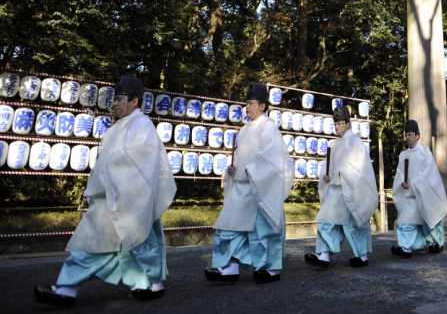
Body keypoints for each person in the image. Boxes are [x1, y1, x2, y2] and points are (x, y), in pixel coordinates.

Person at [34, 76, 177, 306]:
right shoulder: (121, 125)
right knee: (94, 242)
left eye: (120, 99)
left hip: (131, 197)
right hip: (112, 195)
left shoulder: (142, 125)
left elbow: (142, 161)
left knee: (134, 244)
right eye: (115, 99)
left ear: (134, 101)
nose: (115, 104)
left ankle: (150, 283)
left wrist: (114, 167)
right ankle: (66, 288)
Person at [204, 83, 293, 283]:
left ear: (262, 106)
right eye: (246, 104)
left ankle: (270, 268)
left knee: (263, 230)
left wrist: (252, 171)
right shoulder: (244, 130)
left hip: (261, 188)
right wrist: (232, 170)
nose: (247, 107)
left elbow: (271, 159)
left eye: (251, 104)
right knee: (229, 226)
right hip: (242, 186)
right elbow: (239, 157)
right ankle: (229, 267)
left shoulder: (269, 127)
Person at [305, 106, 378, 268]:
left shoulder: (356, 142)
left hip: (351, 189)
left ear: (347, 124)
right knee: (326, 220)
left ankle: (362, 256)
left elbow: (360, 168)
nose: (337, 126)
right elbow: (329, 167)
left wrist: (342, 173)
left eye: (340, 123)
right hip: (336, 189)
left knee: (353, 224)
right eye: (335, 123)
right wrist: (326, 176)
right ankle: (323, 255)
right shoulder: (334, 144)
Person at [390, 119, 447, 257]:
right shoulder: (403, 155)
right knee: (406, 221)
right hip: (409, 197)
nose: (408, 137)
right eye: (406, 135)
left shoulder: (424, 153)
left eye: (411, 134)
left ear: (418, 136)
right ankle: (405, 247)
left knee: (429, 221)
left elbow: (429, 174)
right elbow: (399, 174)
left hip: (423, 195)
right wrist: (401, 183)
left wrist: (414, 184)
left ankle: (436, 243)